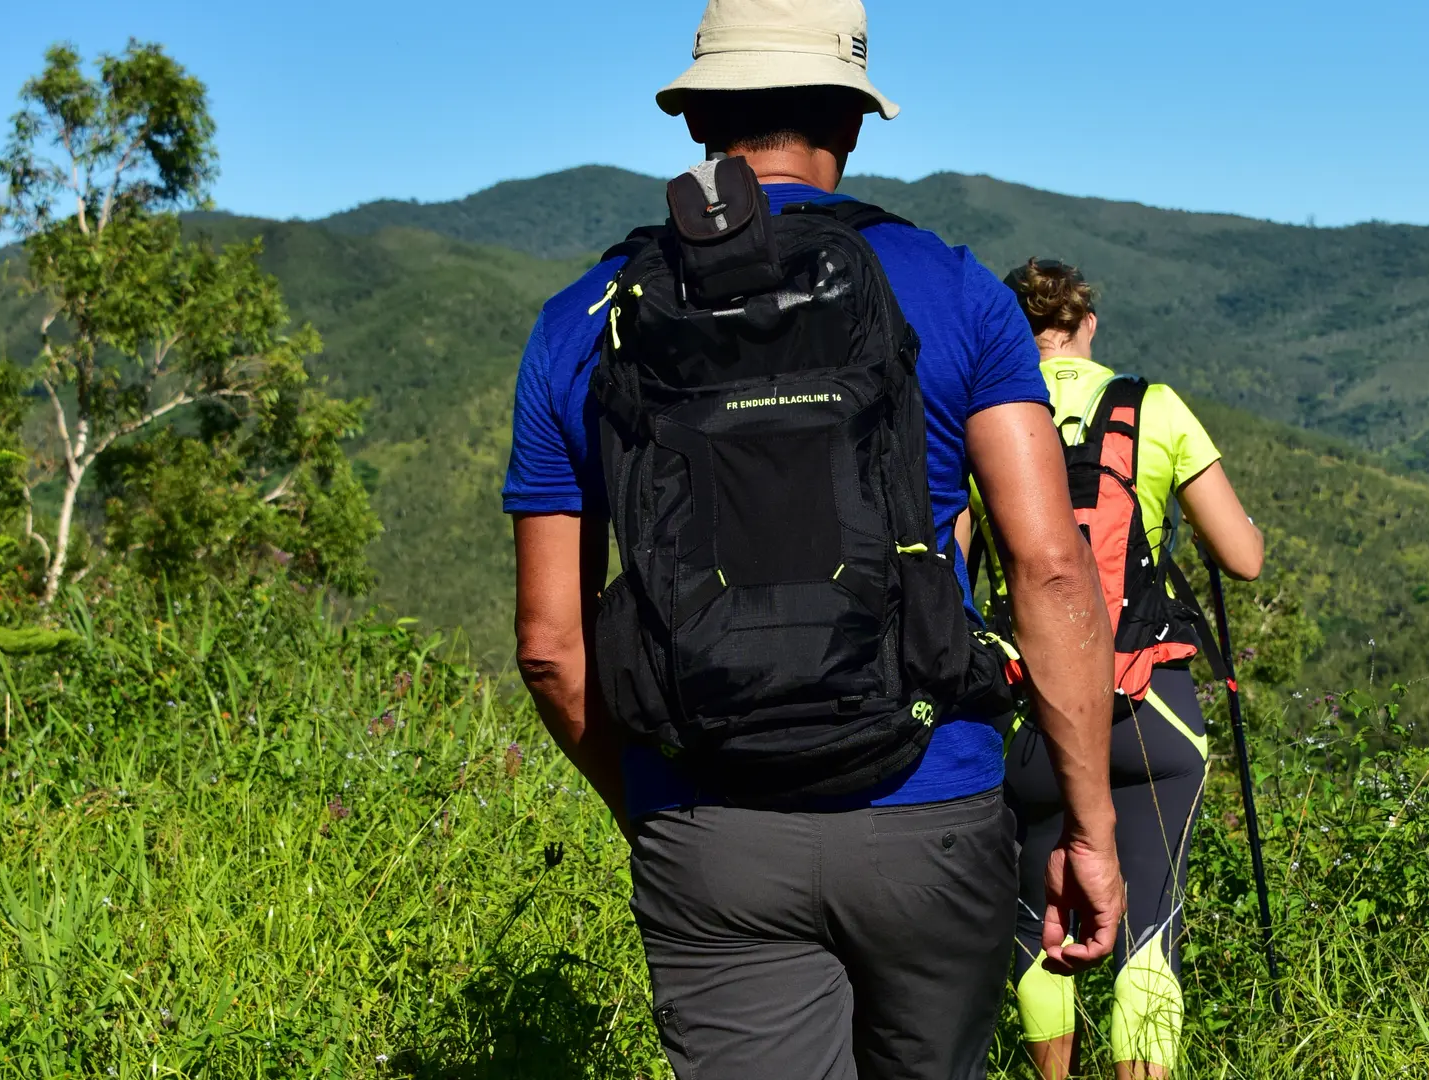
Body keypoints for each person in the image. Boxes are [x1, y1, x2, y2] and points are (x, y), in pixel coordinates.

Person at [502, 4, 1125, 1078]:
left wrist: (655, 804)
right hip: (933, 807)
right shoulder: (958, 289)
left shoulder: (582, 318)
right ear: (855, 120)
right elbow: (1051, 567)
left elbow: (552, 647)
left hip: (709, 821)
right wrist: (1091, 827)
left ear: (695, 115)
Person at [968, 259, 1264, 1079]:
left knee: (1038, 925)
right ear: (1088, 325)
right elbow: (1243, 559)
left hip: (1031, 715)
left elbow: (953, 570)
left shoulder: (982, 415)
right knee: (1151, 929)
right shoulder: (1154, 407)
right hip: (1154, 715)